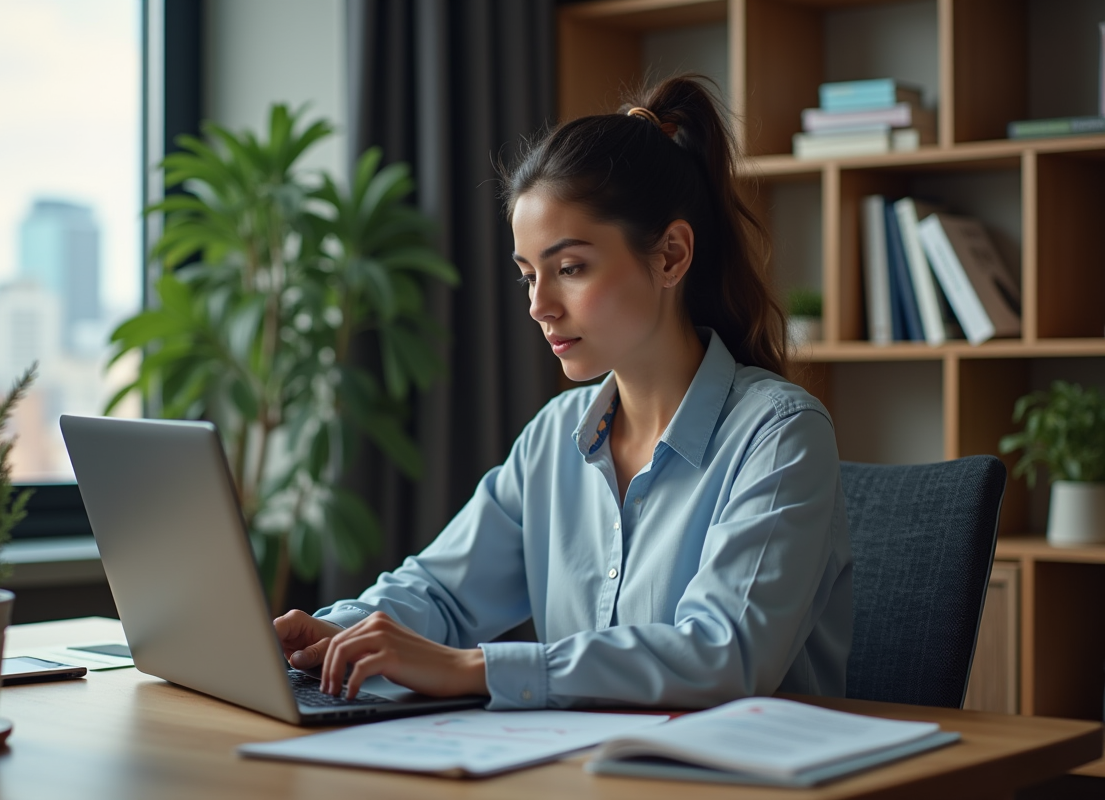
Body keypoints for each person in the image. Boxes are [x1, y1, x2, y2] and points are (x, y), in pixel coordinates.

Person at [274, 74, 852, 710]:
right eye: (528, 275)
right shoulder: (555, 435)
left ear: (670, 256)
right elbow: (442, 592)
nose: (539, 306)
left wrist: (474, 668)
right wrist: (337, 631)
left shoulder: (779, 434)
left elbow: (725, 654)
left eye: (570, 269)